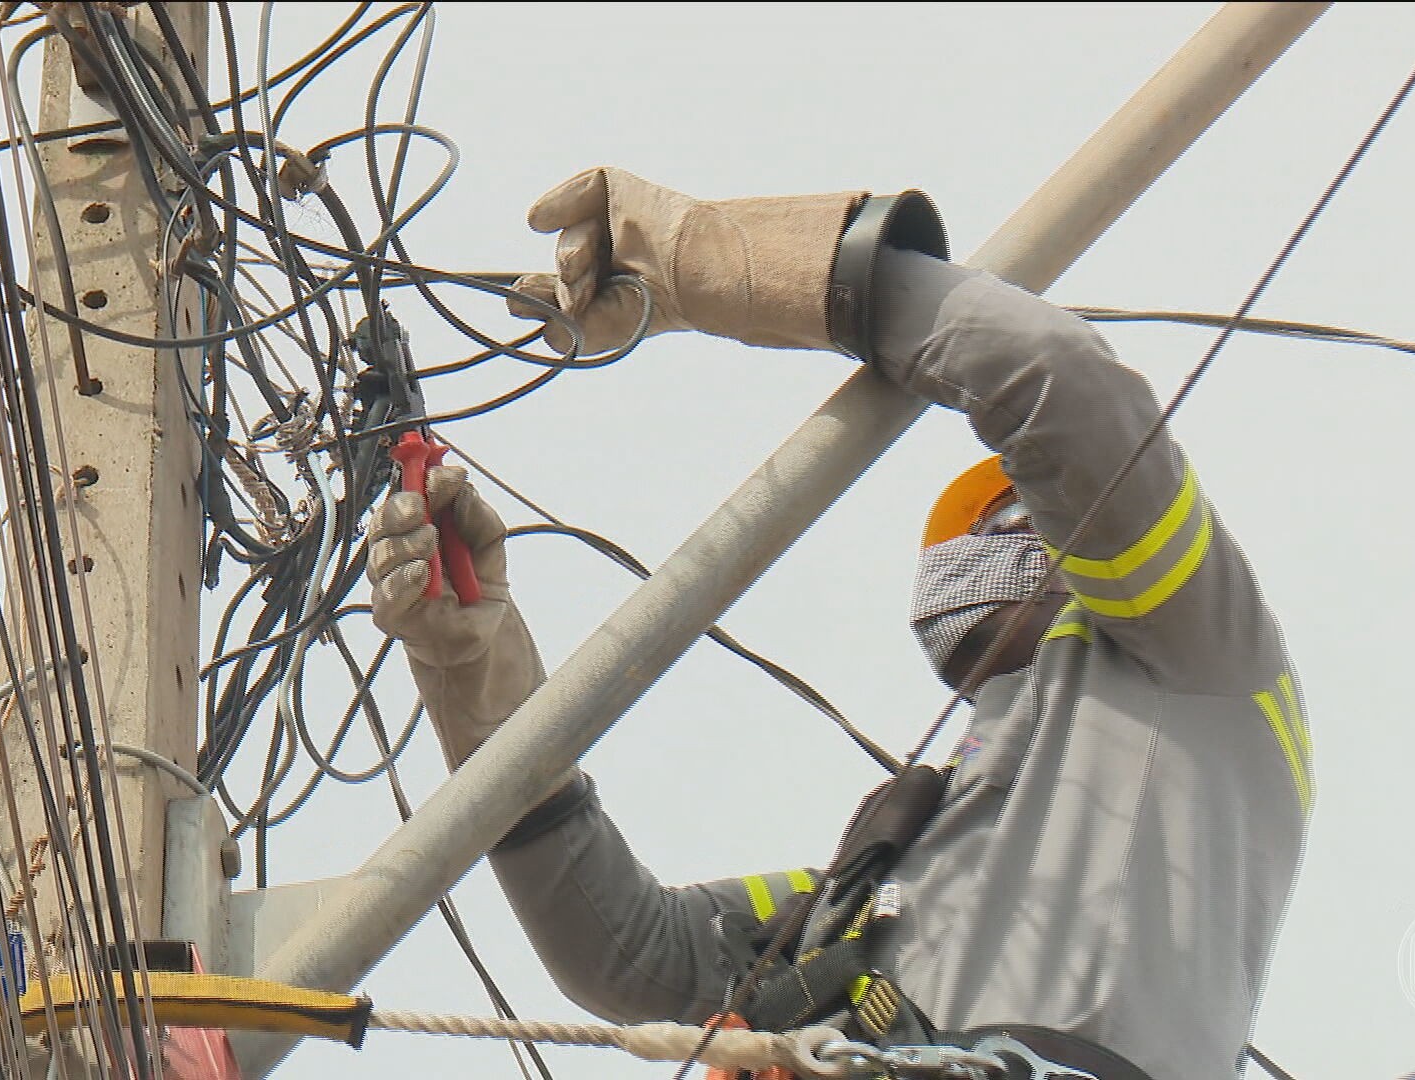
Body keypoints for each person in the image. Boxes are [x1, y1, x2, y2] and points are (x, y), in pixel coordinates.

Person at [365, 168, 1311, 1080]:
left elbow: (1056, 381)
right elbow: (634, 955)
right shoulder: (887, 883)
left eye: (1001, 520)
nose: (954, 565)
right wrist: (472, 667)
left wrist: (718, 263)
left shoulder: (1198, 651)